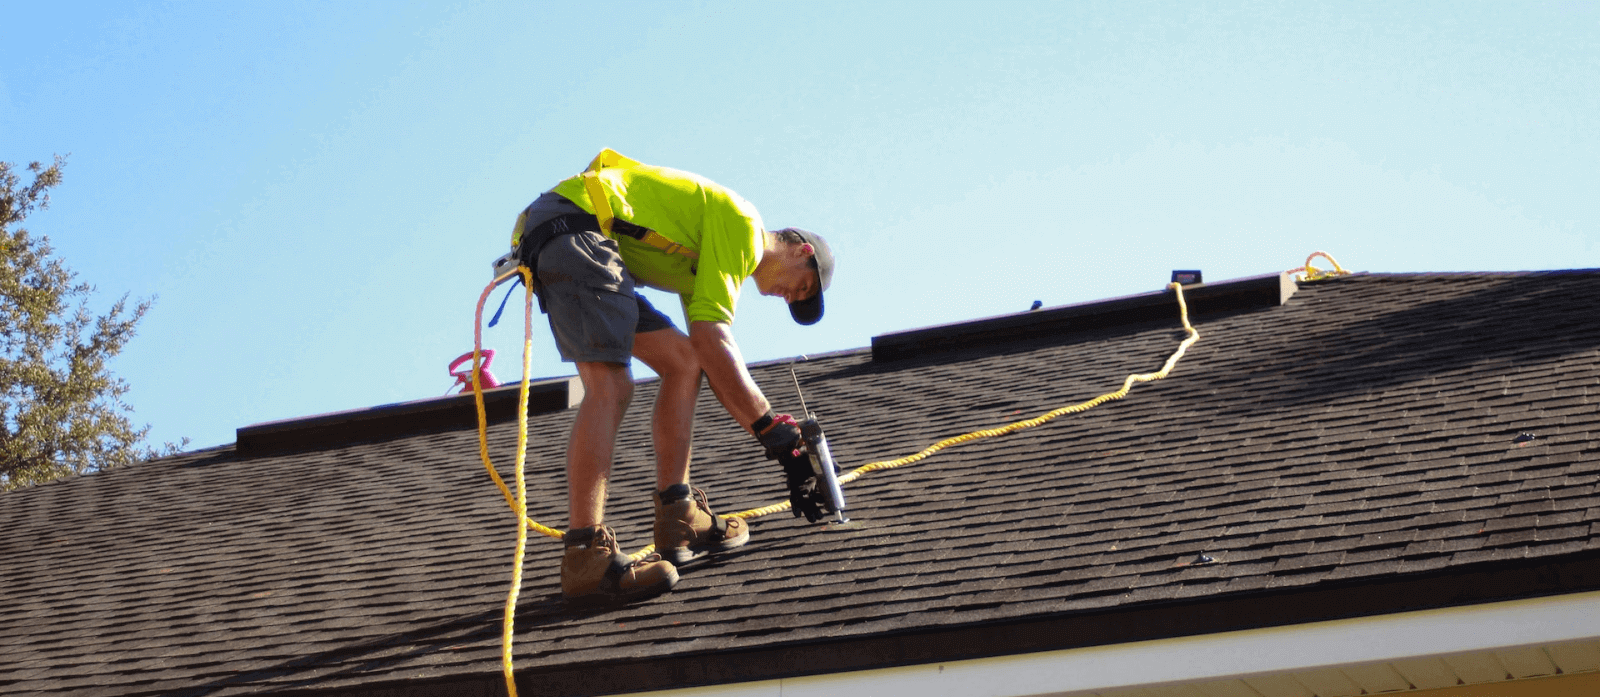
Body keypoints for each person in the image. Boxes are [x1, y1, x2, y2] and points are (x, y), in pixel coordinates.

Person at [505, 149, 836, 606]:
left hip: (578, 239)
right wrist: (771, 429)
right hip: (574, 231)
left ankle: (677, 514)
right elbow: (716, 339)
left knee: (682, 362)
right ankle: (584, 554)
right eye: (801, 286)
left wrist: (772, 433)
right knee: (611, 385)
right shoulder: (743, 225)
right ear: (802, 250)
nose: (788, 296)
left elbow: (705, 350)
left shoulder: (707, 259)